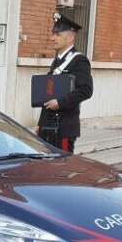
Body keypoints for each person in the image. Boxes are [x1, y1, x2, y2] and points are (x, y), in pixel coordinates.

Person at [37, 11, 93, 153]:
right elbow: (49, 94)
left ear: (70, 38)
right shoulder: (57, 61)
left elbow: (86, 90)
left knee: (62, 169)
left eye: (58, 35)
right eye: (53, 34)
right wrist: (41, 124)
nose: (53, 38)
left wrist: (60, 102)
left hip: (64, 127)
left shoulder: (79, 61)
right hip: (48, 127)